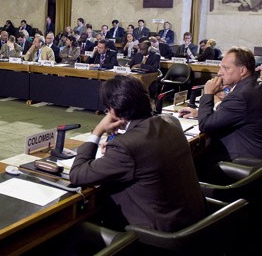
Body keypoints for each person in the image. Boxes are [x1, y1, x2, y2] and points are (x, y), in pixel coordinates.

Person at [70, 75, 206, 231]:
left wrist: (98, 131)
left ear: (113, 109)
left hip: (156, 238)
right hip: (193, 223)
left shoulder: (126, 146)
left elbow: (77, 175)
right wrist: (118, 146)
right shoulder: (171, 122)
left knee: (76, 232)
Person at [180, 48, 262, 165]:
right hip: (255, 155)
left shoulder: (239, 96)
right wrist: (199, 113)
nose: (219, 72)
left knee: (186, 163)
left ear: (242, 70)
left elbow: (205, 125)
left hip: (237, 160)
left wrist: (208, 93)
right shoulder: (255, 85)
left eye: (226, 68)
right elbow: (233, 115)